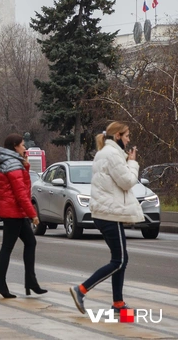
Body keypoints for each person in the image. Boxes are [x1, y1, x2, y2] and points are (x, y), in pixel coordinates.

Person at [70, 122, 143, 315]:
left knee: (120, 258)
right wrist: (133, 163)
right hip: (109, 213)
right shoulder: (112, 155)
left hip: (106, 212)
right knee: (119, 260)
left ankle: (118, 303)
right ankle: (81, 289)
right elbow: (127, 182)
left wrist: (126, 161)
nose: (128, 140)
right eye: (127, 136)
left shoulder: (106, 153)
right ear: (118, 136)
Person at [0, 133, 47, 299]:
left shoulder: (9, 162)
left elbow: (22, 186)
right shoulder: (13, 165)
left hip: (12, 211)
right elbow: (21, 193)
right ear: (15, 146)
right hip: (13, 212)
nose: (25, 148)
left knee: (29, 242)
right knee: (8, 247)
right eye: (23, 145)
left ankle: (29, 282)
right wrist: (33, 214)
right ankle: (2, 284)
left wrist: (26, 166)